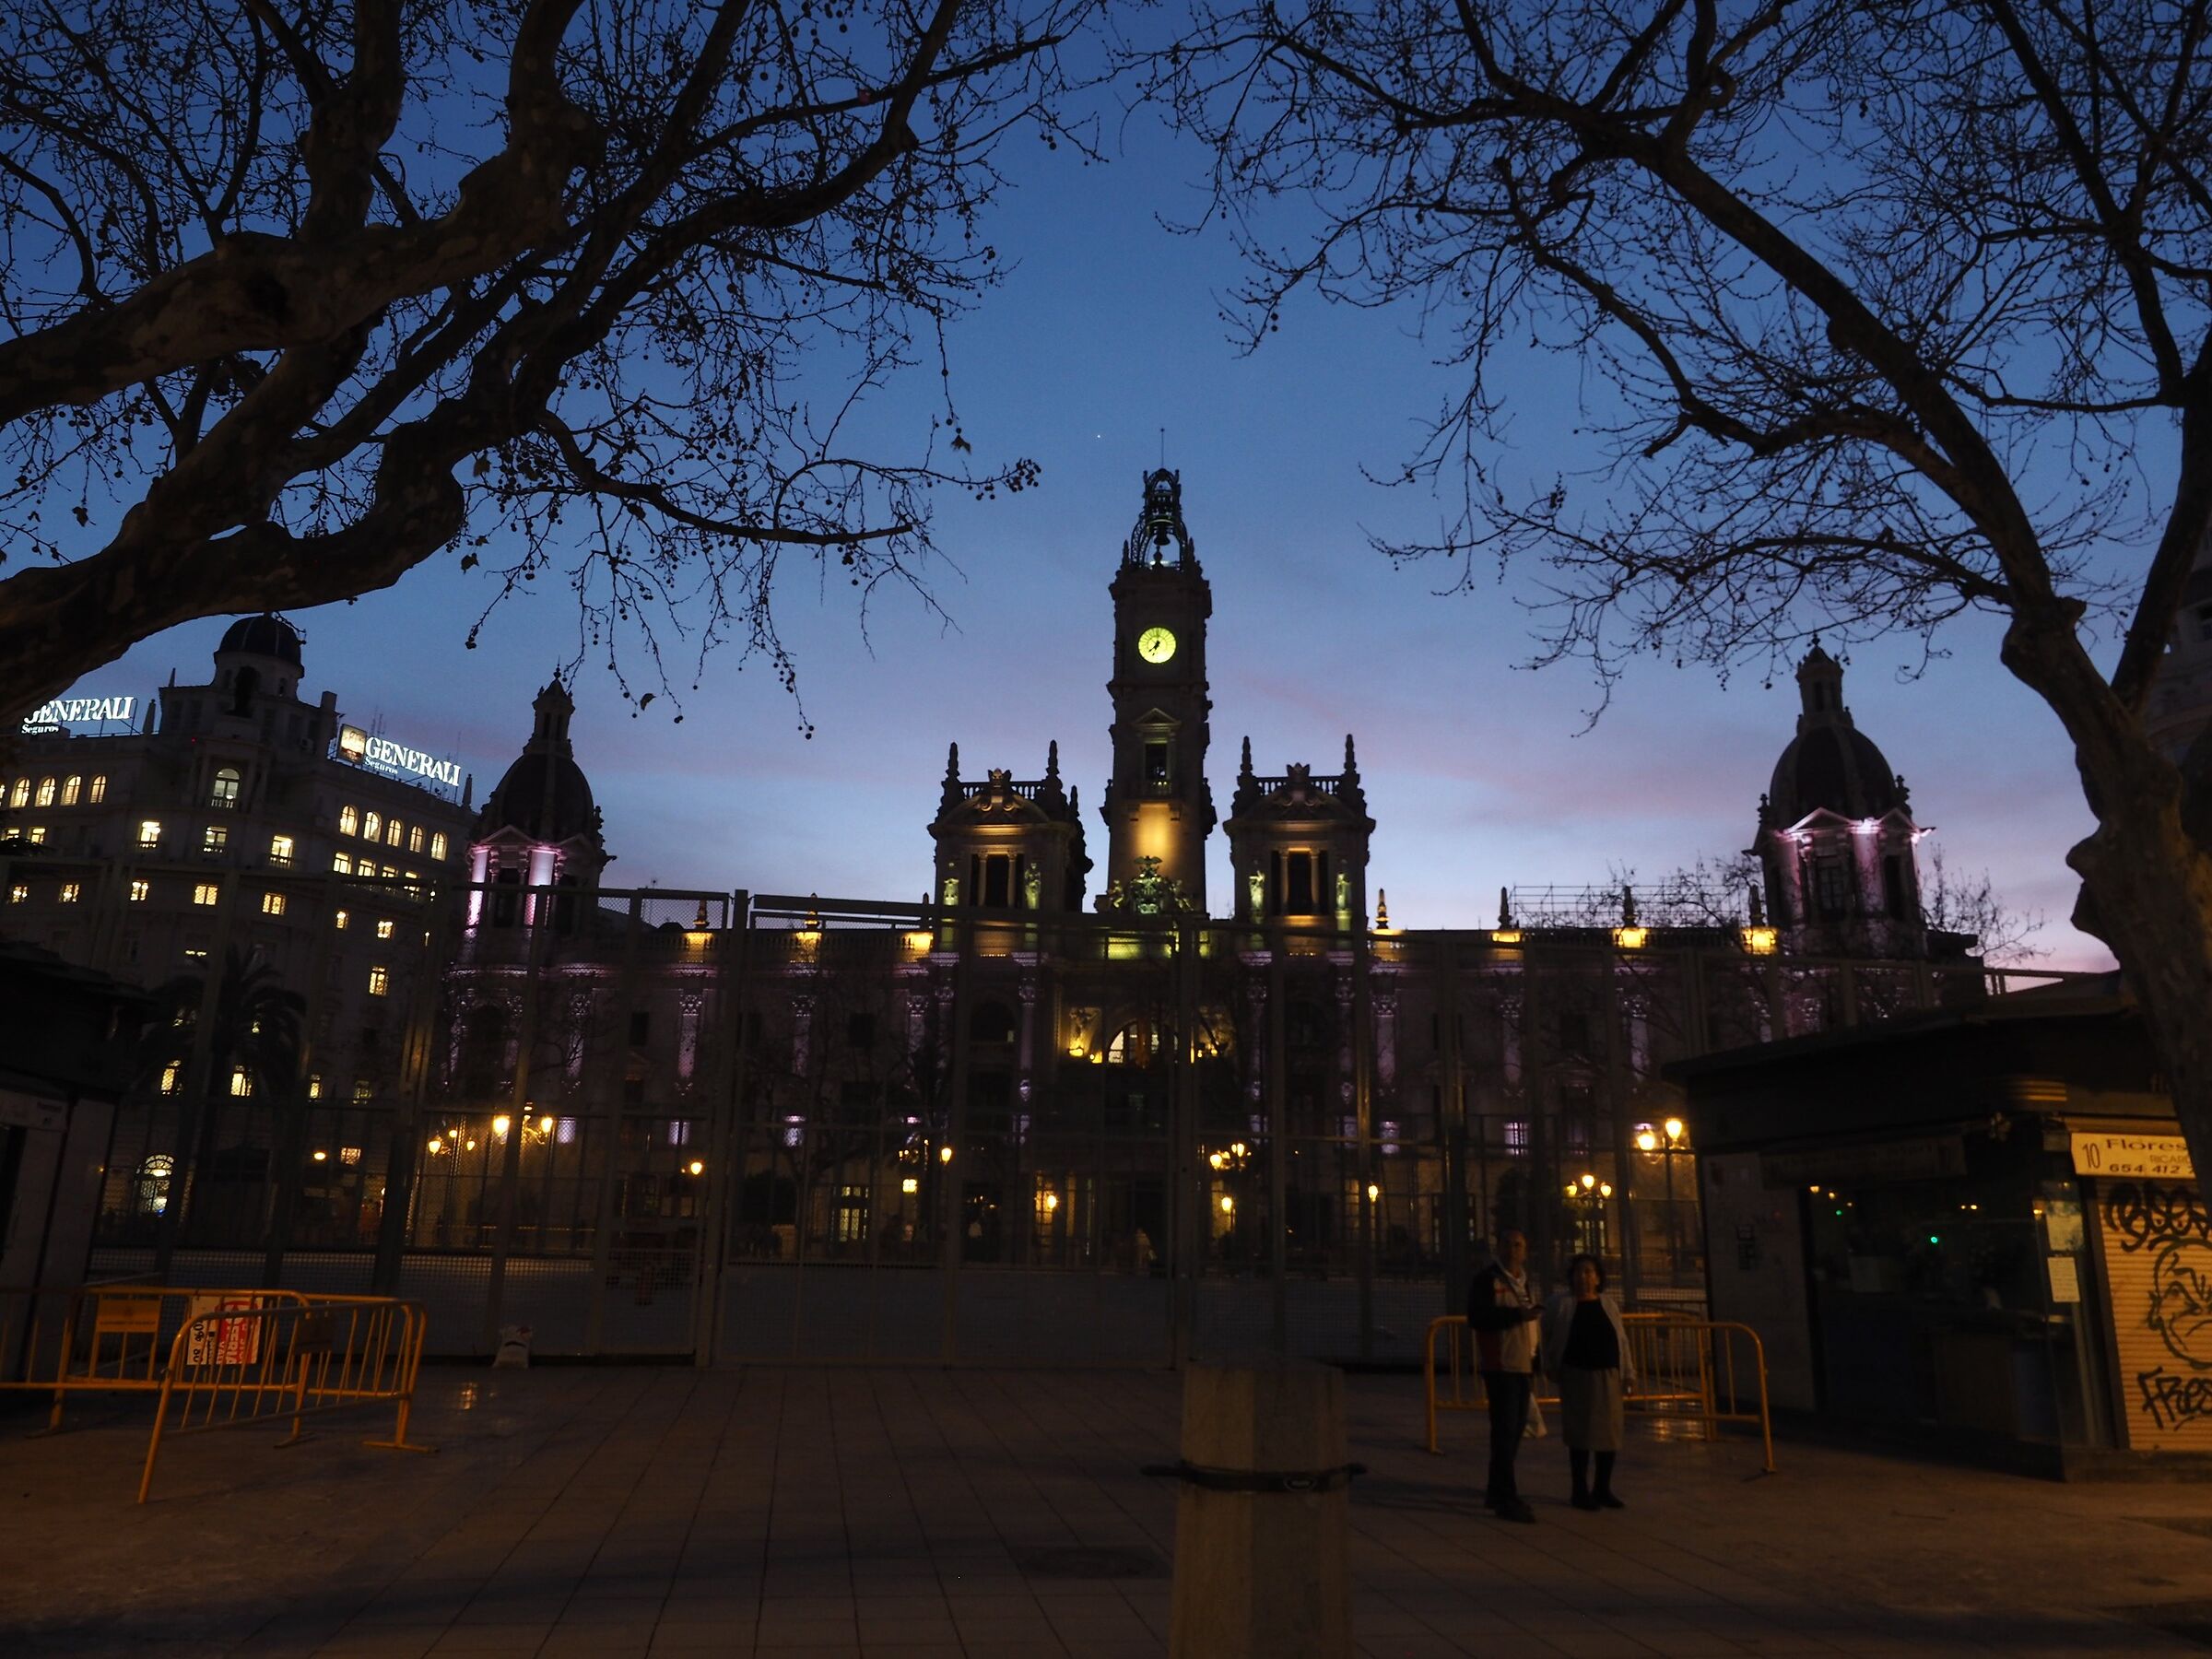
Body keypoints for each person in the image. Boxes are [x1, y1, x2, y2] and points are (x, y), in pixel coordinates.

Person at [1540, 1253, 1635, 1512]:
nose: (1584, 1277)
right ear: (1571, 1276)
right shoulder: (1560, 1304)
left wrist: (1628, 1372)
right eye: (1579, 1272)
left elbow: (1621, 1340)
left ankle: (1602, 1487)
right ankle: (1579, 1490)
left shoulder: (1609, 1305)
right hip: (1577, 1375)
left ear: (1598, 1278)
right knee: (1580, 1434)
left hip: (1608, 1376)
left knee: (1610, 1434)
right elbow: (1545, 1334)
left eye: (1589, 1272)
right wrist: (1548, 1364)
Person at [1465, 1227, 1542, 1522]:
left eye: (1519, 1245)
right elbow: (1478, 1317)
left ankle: (1497, 1490)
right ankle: (1505, 1496)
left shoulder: (1523, 1283)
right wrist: (1515, 1316)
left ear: (1526, 1250)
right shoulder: (1488, 1281)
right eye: (1509, 1244)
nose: (1514, 1250)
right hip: (1501, 1366)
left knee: (1512, 1431)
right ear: (1499, 1248)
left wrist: (1535, 1359)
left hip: (1521, 1366)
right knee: (1505, 1431)